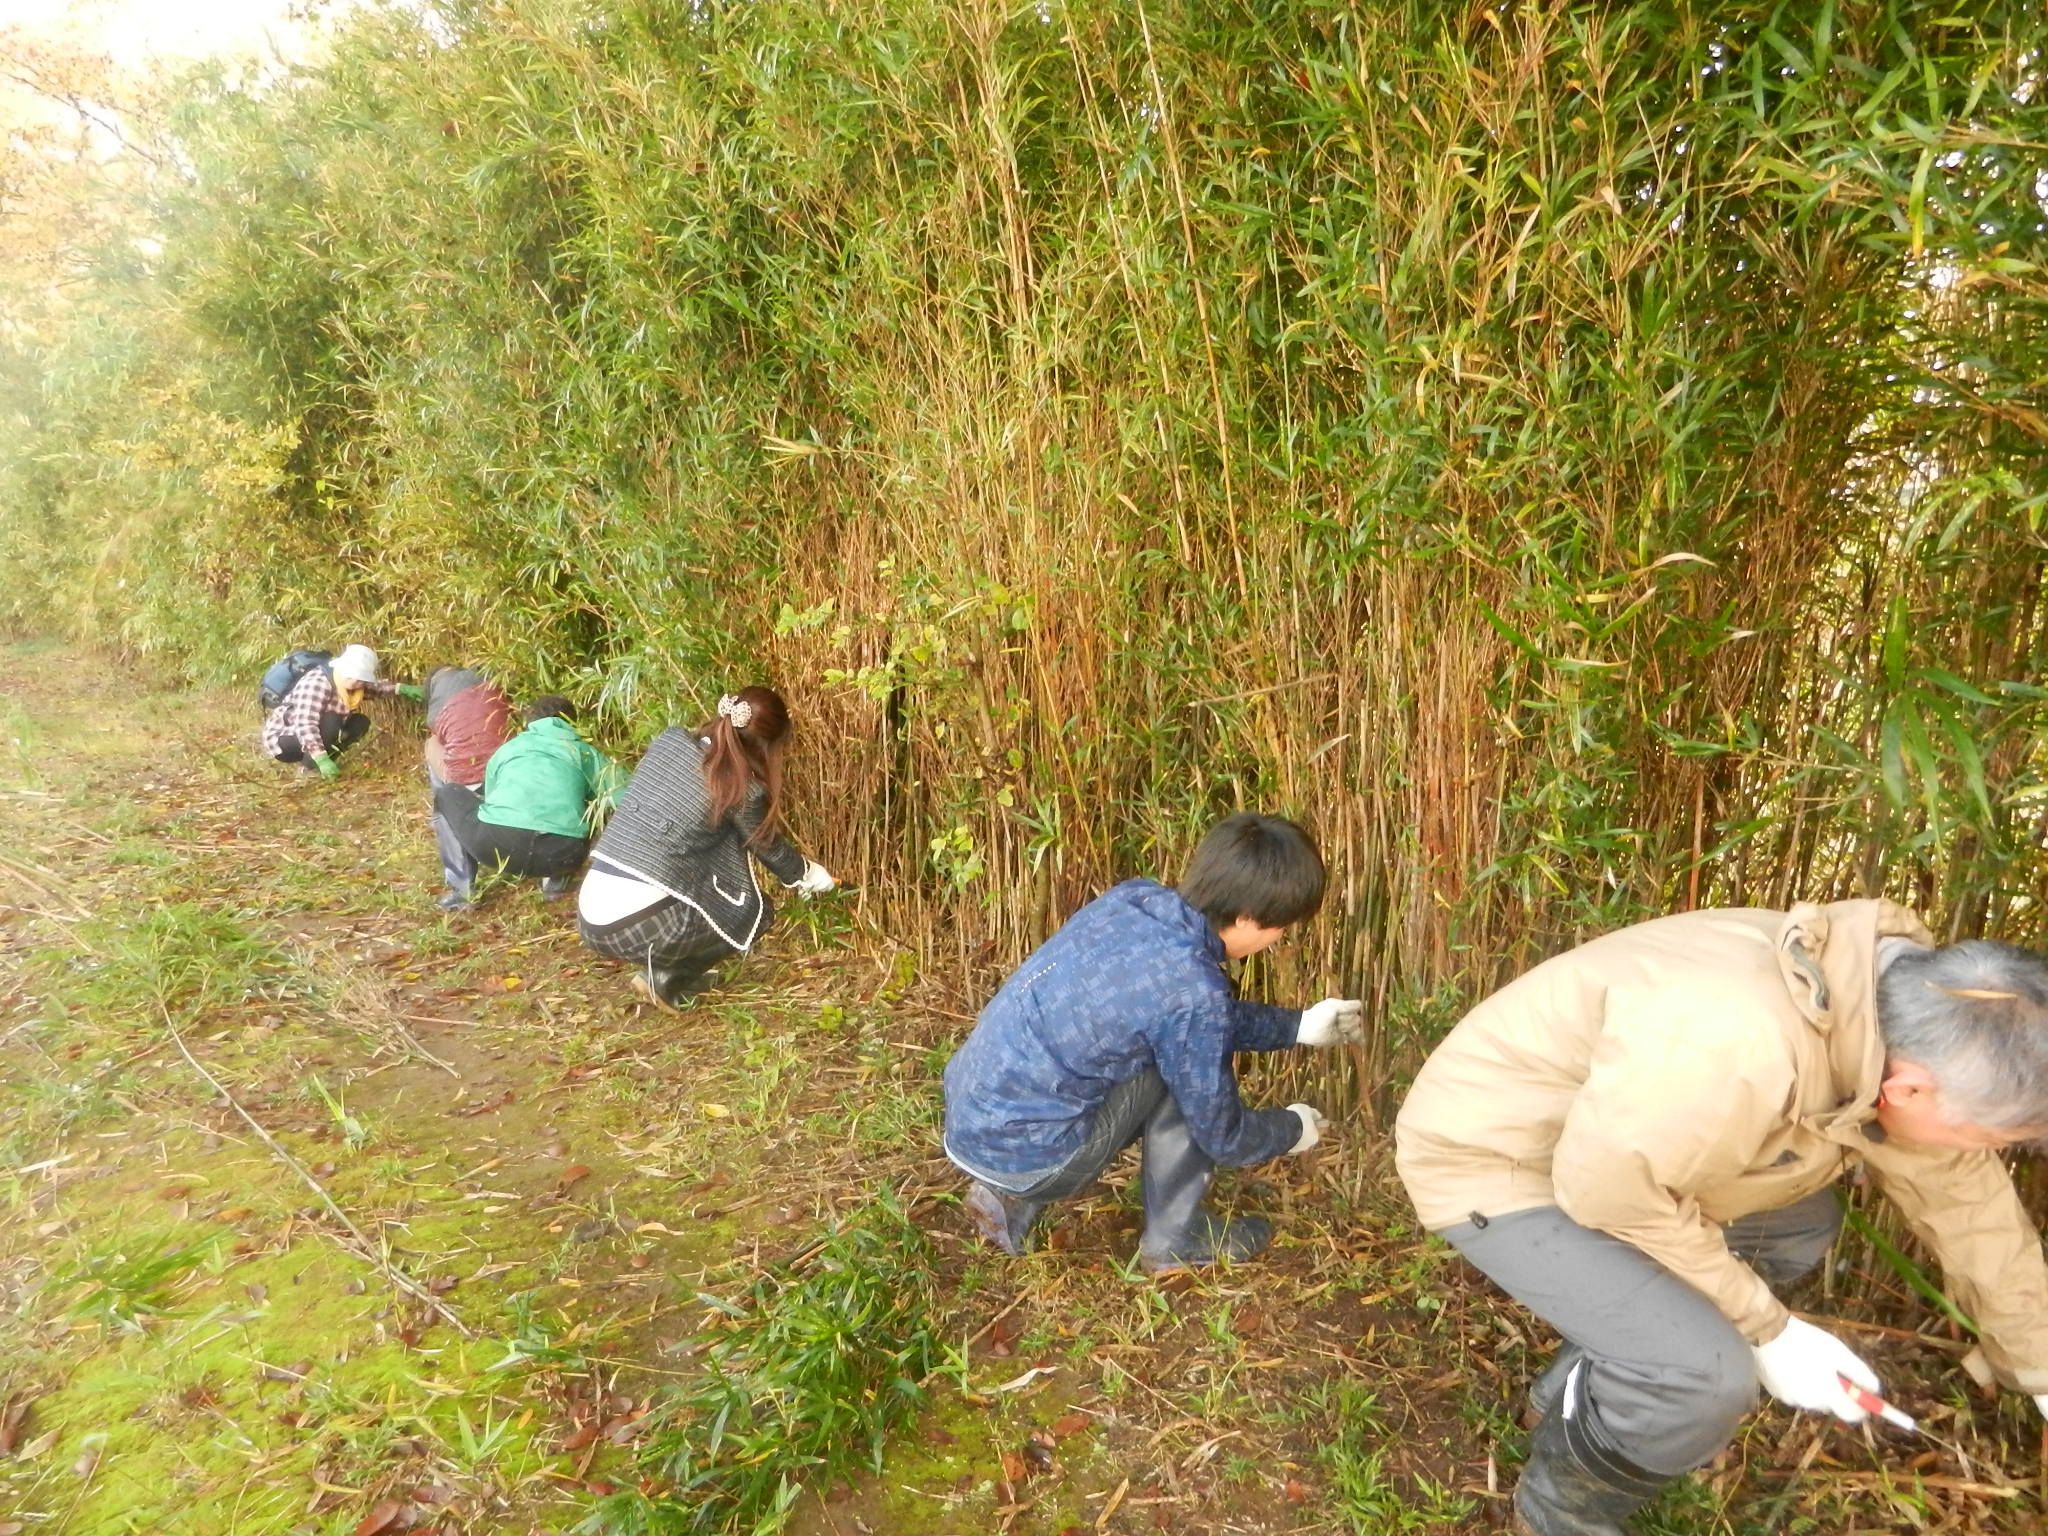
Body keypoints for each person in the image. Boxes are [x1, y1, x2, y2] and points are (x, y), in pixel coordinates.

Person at [1394, 901, 2048, 1536]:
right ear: (1906, 1091)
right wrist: (1769, 1329)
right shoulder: (1732, 1040)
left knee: (1797, 1225)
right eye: (1986, 1137)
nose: (1985, 1153)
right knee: (1702, 1376)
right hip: (1499, 1154)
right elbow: (1608, 1191)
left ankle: (1584, 1382)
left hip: (1621, 1145)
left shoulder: (1903, 1017)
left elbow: (1970, 1207)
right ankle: (1559, 1512)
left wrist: (2040, 1366)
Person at [940, 813, 1363, 1274]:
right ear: (1246, 918)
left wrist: (1299, 1026)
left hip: (970, 1121)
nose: (1279, 938)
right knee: (1184, 1070)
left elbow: (1192, 1015)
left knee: (1178, 1047)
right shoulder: (1192, 993)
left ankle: (1004, 1195)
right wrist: (1292, 1129)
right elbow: (1224, 1137)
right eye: (1279, 927)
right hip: (1033, 1160)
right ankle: (1176, 1239)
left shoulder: (1134, 901)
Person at [576, 687, 835, 1006]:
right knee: (754, 912)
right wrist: (809, 876)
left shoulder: (670, 742)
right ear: (767, 746)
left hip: (589, 916)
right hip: (631, 927)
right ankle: (665, 978)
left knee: (696, 891)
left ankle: (667, 967)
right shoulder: (740, 788)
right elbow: (768, 847)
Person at [431, 695, 621, 910]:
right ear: (572, 723)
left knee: (447, 793)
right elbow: (624, 797)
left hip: (497, 847)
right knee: (595, 800)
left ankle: (462, 891)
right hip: (563, 854)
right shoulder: (586, 753)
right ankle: (557, 881)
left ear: (529, 722)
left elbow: (491, 801)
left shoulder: (509, 749)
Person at [422, 667, 517, 909]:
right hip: (507, 774)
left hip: (466, 779)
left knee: (432, 750)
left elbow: (440, 737)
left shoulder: (439, 705)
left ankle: (462, 890)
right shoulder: (497, 686)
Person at [259, 644, 417, 777]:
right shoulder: (317, 683)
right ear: (343, 668)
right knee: (333, 720)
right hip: (284, 739)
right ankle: (311, 767)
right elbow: (305, 723)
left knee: (360, 722)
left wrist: (401, 689)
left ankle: (322, 763)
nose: (355, 682)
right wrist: (320, 758)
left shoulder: (351, 685)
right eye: (352, 676)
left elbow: (375, 689)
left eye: (360, 679)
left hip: (308, 735)